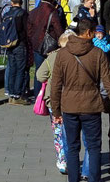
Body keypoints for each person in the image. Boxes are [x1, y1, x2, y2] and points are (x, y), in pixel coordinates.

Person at [49, 18, 110, 182]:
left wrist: (56, 111)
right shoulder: (98, 54)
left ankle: (73, 179)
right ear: (88, 33)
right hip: (91, 106)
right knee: (94, 146)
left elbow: (55, 86)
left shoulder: (62, 54)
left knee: (73, 147)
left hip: (69, 106)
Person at [36, 31, 75, 176]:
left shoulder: (52, 56)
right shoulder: (76, 56)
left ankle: (62, 161)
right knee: (72, 131)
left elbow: (40, 76)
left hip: (54, 100)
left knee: (58, 131)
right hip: (72, 100)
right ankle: (72, 158)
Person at [28, 0, 65, 97]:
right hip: (50, 45)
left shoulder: (33, 11)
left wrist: (33, 39)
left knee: (39, 72)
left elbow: (29, 30)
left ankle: (37, 96)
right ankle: (49, 96)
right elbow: (58, 30)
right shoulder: (53, 12)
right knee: (52, 71)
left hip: (36, 44)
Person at [3, 0, 30, 104]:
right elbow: (26, 29)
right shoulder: (22, 13)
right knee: (20, 69)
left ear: (12, 3)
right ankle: (18, 95)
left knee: (12, 68)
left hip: (10, 44)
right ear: (21, 2)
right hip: (20, 43)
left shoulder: (7, 13)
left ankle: (11, 93)